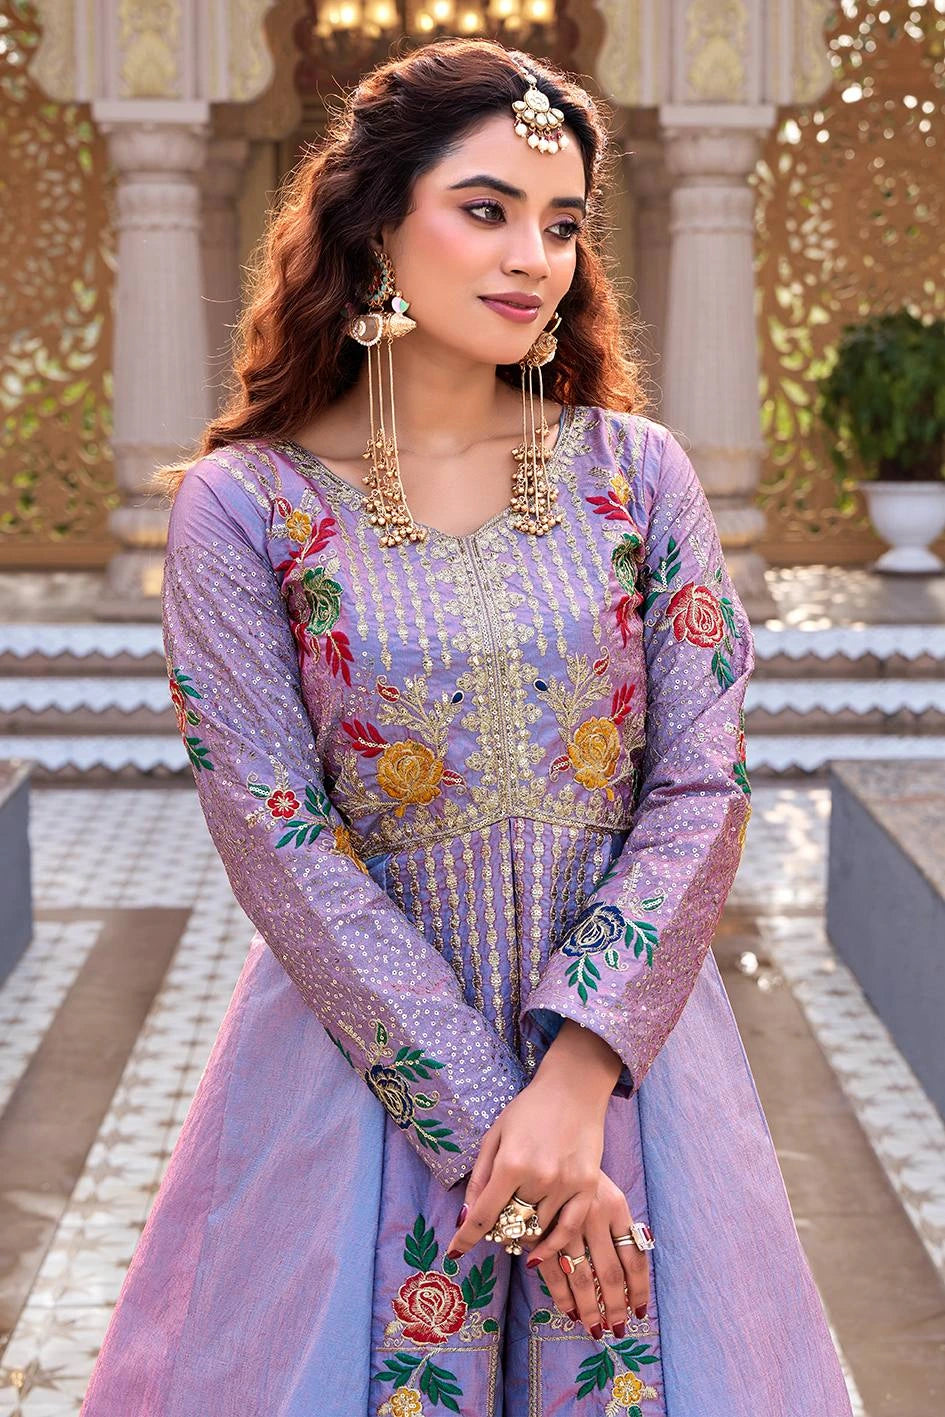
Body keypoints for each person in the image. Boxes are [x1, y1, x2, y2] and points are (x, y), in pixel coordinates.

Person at [80, 37, 854, 1417]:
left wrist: (574, 1081)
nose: (531, 256)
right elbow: (277, 835)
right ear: (377, 223)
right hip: (357, 1080)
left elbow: (698, 783)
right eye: (485, 208)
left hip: (630, 1074)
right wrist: (489, 1118)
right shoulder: (245, 508)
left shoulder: (636, 476)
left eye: (560, 224)